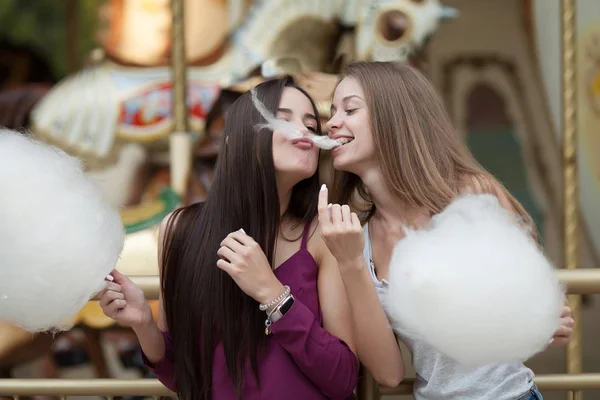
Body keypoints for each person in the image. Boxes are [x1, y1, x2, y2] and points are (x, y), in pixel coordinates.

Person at [317, 61, 574, 400]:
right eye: (333, 111)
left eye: (349, 109)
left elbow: (546, 312)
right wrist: (351, 264)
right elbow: (388, 373)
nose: (332, 122)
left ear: (393, 117)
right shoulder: (354, 240)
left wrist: (542, 316)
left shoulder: (472, 195)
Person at [98, 76, 359, 400]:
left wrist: (273, 293)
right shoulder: (180, 230)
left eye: (310, 124)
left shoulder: (321, 235)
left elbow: (343, 377)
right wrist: (143, 323)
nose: (304, 130)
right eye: (283, 118)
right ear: (235, 138)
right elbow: (184, 374)